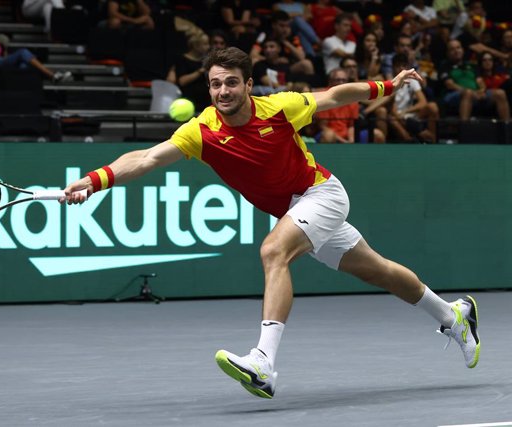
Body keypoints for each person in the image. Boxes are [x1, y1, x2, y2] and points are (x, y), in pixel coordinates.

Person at [60, 47, 481, 399]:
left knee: (272, 250)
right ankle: (454, 315)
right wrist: (95, 181)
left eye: (230, 83)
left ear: (247, 85)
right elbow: (146, 158)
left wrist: (388, 85)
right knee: (382, 272)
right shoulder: (202, 130)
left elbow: (336, 95)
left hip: (321, 194)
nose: (222, 91)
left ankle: (263, 363)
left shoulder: (280, 107)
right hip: (295, 210)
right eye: (215, 84)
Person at [0, 14, 72, 83]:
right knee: (22, 52)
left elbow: (5, 58)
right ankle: (51, 75)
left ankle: (26, 94)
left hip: (0, 62)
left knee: (23, 64)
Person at [439, 39, 509, 121]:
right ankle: (464, 128)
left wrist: (482, 91)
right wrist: (471, 92)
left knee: (500, 93)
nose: (456, 51)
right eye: (452, 49)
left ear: (462, 50)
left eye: (458, 48)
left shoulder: (471, 65)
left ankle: (507, 127)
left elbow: (480, 81)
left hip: (475, 93)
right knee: (468, 93)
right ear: (448, 53)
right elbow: (450, 85)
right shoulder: (445, 66)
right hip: (454, 95)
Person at [315, 67, 385, 143]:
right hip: (328, 134)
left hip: (347, 133)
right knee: (329, 135)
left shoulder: (352, 97)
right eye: (338, 80)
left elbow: (351, 126)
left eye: (343, 80)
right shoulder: (324, 96)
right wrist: (343, 141)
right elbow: (323, 127)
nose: (341, 83)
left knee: (378, 134)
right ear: (330, 81)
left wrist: (351, 139)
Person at [388, 53, 439, 142]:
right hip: (396, 117)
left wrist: (406, 112)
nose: (401, 69)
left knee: (432, 107)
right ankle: (409, 139)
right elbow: (392, 109)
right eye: (397, 66)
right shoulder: (390, 83)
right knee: (392, 119)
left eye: (403, 66)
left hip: (409, 114)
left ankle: (433, 140)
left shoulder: (411, 81)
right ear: (393, 67)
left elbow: (423, 102)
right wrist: (401, 117)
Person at [166, 32, 211, 111]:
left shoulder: (206, 60)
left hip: (205, 102)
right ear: (195, 46)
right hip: (188, 102)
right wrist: (200, 71)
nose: (208, 47)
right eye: (205, 44)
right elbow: (182, 81)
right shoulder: (182, 60)